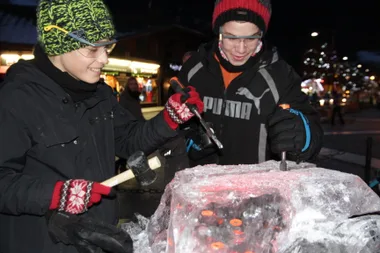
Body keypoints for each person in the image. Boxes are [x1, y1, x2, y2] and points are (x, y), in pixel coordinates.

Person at [0, 0, 203, 252]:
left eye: (107, 46)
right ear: (59, 45)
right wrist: (55, 194)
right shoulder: (16, 98)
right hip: (41, 243)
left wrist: (170, 117)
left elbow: (130, 140)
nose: (104, 58)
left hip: (99, 238)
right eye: (93, 49)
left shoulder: (101, 95)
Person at [178, 0, 323, 166]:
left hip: (259, 189)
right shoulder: (193, 69)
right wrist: (187, 141)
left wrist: (303, 138)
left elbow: (313, 133)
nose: (241, 49)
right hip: (201, 187)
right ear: (218, 32)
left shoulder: (281, 76)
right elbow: (172, 125)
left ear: (261, 33)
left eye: (251, 38)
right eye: (231, 38)